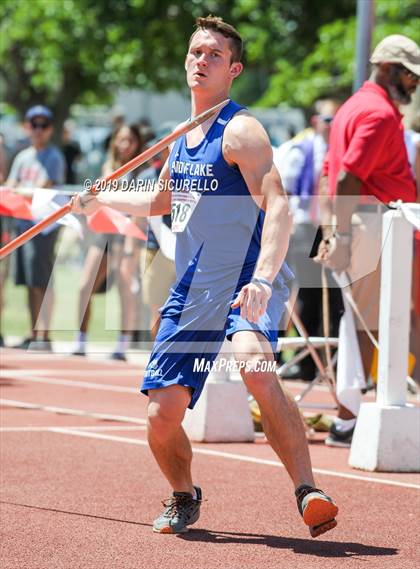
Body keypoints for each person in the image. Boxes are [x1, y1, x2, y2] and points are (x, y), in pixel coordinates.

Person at [72, 16, 338, 538]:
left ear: (233, 69)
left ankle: (309, 490)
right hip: (196, 287)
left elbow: (279, 207)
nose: (201, 60)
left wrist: (262, 279)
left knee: (255, 365)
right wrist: (98, 196)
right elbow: (163, 200)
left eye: (214, 54)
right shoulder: (182, 137)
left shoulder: (241, 130)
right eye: (196, 52)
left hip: (244, 277)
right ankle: (183, 494)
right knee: (161, 416)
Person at [315, 35, 419, 446]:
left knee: (358, 319)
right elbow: (344, 176)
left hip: (355, 222)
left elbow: (329, 172)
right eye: (411, 76)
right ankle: (350, 419)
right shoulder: (378, 113)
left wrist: (329, 229)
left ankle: (349, 415)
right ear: (390, 69)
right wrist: (337, 233)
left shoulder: (350, 107)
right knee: (372, 321)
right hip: (373, 223)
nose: (414, 86)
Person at [275, 100, 343, 381]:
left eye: (336, 120)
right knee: (305, 294)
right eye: (328, 120)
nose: (332, 126)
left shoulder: (341, 151)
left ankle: (326, 363)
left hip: (332, 228)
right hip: (305, 227)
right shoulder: (299, 150)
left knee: (334, 296)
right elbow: (285, 192)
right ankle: (303, 361)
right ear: (316, 121)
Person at [73, 124, 144, 361]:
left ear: (137, 144)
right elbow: (96, 198)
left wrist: (130, 246)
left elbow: (139, 207)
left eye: (130, 141)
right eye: (121, 140)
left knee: (125, 288)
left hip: (126, 233)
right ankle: (80, 340)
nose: (125, 145)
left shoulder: (141, 172)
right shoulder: (108, 167)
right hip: (104, 232)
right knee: (85, 285)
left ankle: (122, 345)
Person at [7, 105, 65, 350]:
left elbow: (42, 188)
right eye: (34, 124)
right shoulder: (22, 157)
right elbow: (10, 185)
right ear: (27, 127)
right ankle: (34, 333)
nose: (38, 130)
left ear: (50, 129)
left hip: (43, 226)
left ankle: (44, 334)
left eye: (43, 125)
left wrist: (20, 190)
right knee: (29, 282)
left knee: (41, 281)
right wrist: (18, 191)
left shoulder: (53, 157)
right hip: (22, 224)